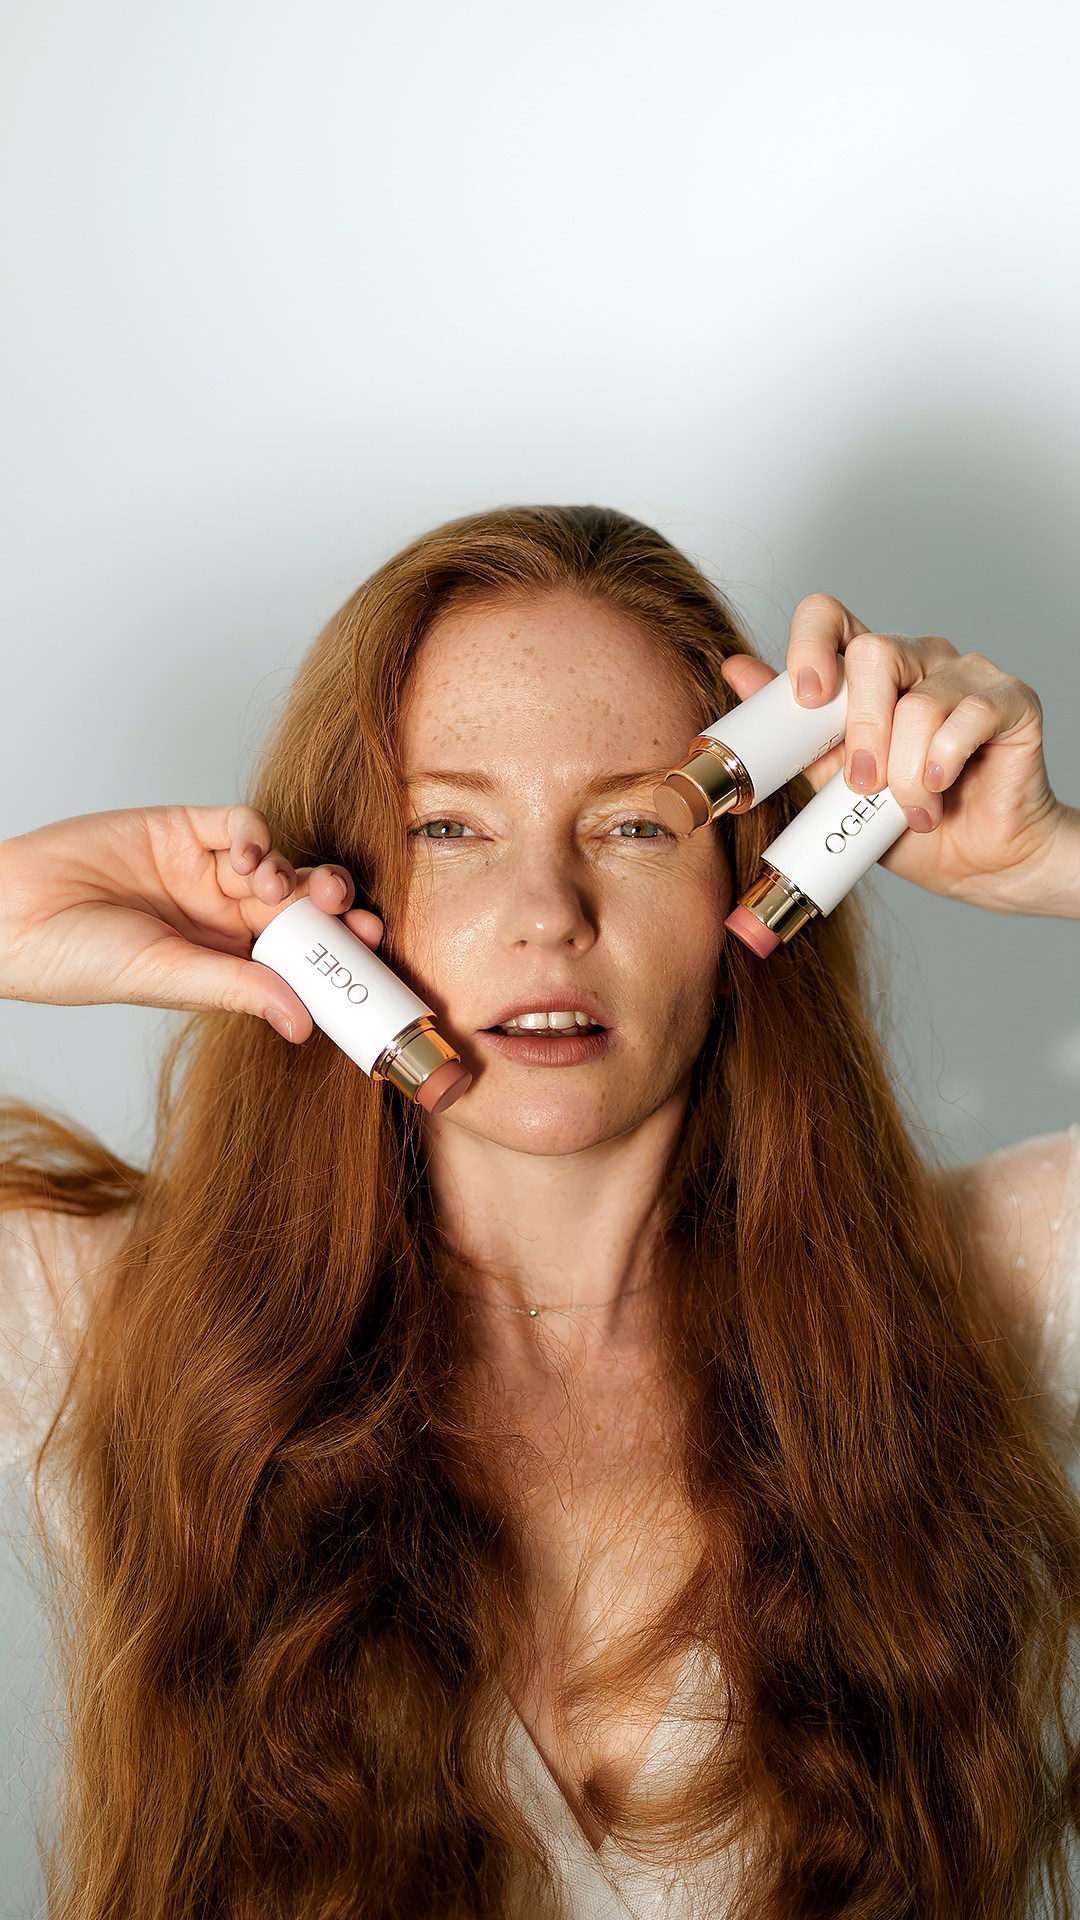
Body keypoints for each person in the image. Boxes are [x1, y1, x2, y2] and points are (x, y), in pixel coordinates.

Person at [1, 503, 1078, 1920]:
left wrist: (1051, 861)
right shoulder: (128, 1323)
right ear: (341, 896)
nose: (546, 909)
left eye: (635, 822)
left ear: (755, 871)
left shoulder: (989, 1288)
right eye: (448, 826)